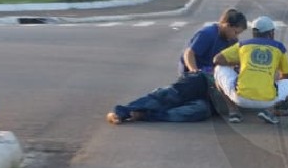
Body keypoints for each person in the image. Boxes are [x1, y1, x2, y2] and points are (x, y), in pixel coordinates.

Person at [106, 8, 247, 124]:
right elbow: (189, 53)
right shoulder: (208, 33)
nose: (236, 36)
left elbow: (235, 62)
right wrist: (194, 71)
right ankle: (122, 112)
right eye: (235, 32)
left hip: (212, 85)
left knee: (201, 111)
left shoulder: (232, 42)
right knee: (168, 97)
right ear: (226, 25)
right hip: (196, 79)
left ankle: (146, 115)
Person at [212, 16, 288, 125]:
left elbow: (217, 60)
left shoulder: (243, 45)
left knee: (219, 69)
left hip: (240, 99)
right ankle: (270, 111)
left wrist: (242, 63)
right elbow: (285, 76)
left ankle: (233, 112)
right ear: (271, 33)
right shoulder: (279, 47)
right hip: (268, 101)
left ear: (253, 33)